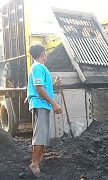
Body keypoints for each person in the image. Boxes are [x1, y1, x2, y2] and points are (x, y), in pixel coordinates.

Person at [27, 44, 62, 177]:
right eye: (45, 53)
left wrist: (54, 84)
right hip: (41, 104)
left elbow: (43, 86)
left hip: (42, 104)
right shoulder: (38, 67)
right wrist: (54, 103)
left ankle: (38, 160)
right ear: (42, 53)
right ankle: (34, 164)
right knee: (40, 134)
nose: (46, 55)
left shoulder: (40, 68)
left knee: (42, 134)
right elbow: (39, 87)